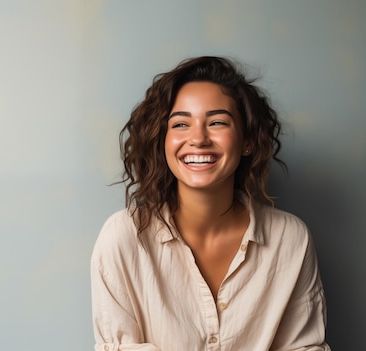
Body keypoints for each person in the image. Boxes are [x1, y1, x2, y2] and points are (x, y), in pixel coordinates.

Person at [90, 56, 330, 351]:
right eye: (180, 124)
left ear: (247, 141)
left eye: (217, 122)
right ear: (162, 140)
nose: (198, 138)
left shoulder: (291, 239)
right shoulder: (123, 237)